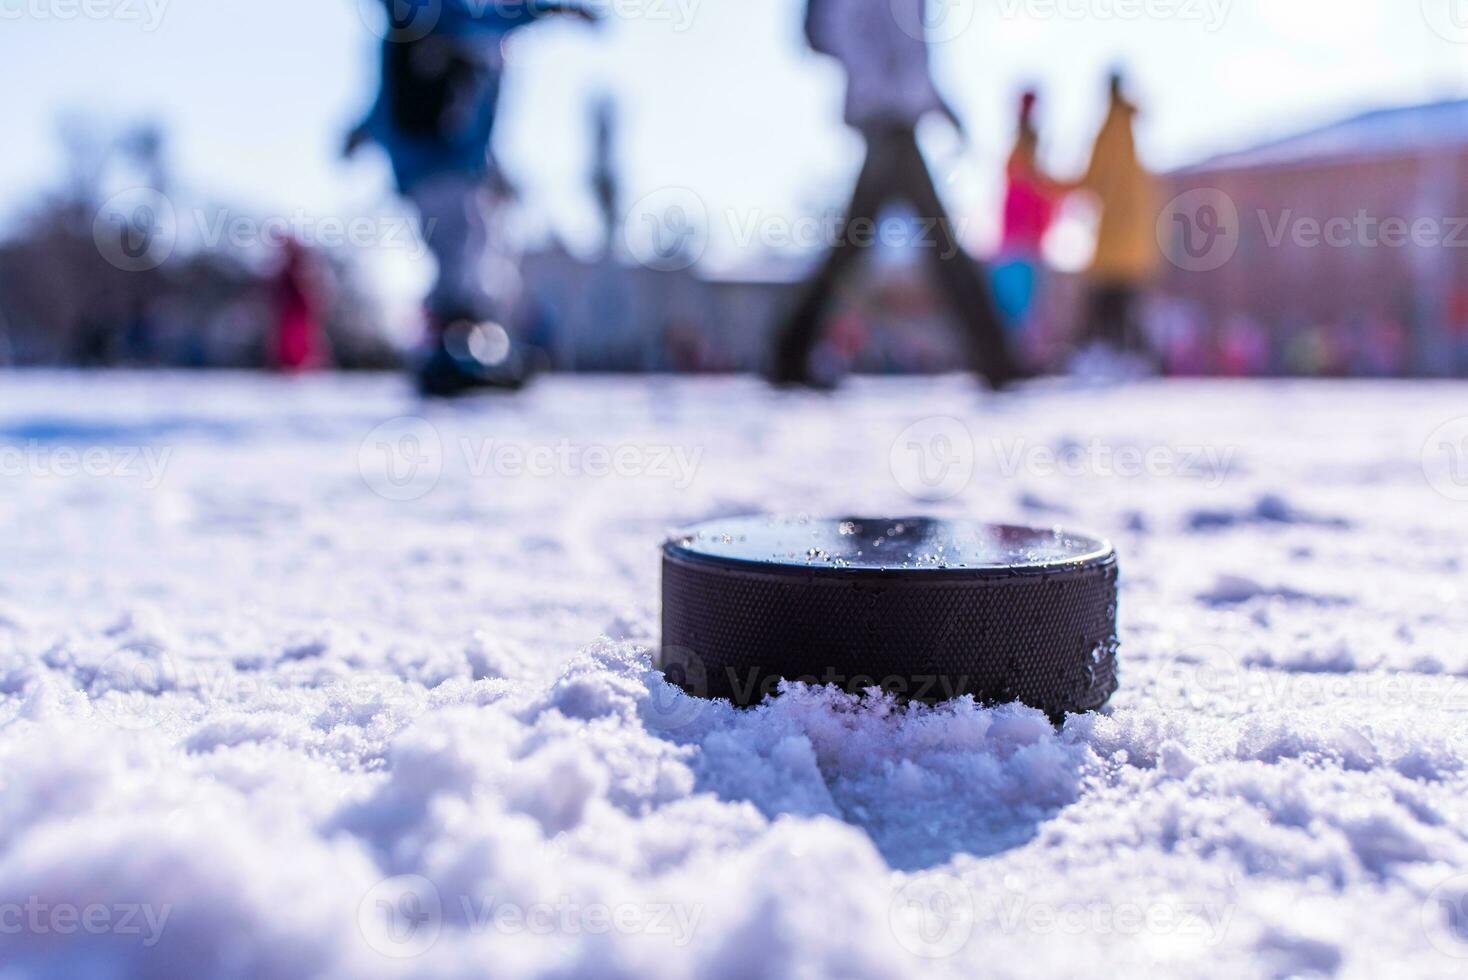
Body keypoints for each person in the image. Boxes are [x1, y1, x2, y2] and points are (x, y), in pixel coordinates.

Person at [344, 0, 597, 396]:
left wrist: (361, 134)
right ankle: (456, 349)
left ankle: (457, 345)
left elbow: (384, 104)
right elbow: (500, 21)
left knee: (460, 253)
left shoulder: (401, 32)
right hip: (451, 164)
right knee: (466, 257)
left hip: (420, 171)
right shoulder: (445, 16)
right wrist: (554, 11)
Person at [768, 0, 1024, 389]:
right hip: (890, 125)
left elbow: (915, 59)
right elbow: (846, 35)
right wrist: (881, 88)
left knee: (857, 247)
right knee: (943, 248)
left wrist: (944, 110)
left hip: (897, 122)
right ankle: (997, 358)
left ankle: (788, 352)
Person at [1075, 71, 1159, 361]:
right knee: (1122, 305)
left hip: (1114, 242)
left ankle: (1119, 356)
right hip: (1131, 243)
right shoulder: (1128, 127)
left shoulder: (1110, 130)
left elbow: (1090, 179)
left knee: (1107, 304)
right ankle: (1133, 356)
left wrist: (1049, 184)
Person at [992, 89, 1065, 363]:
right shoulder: (1021, 159)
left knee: (1026, 311)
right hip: (1020, 244)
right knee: (1021, 310)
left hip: (1025, 244)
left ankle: (1023, 355)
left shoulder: (1022, 157)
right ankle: (1018, 357)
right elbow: (1037, 188)